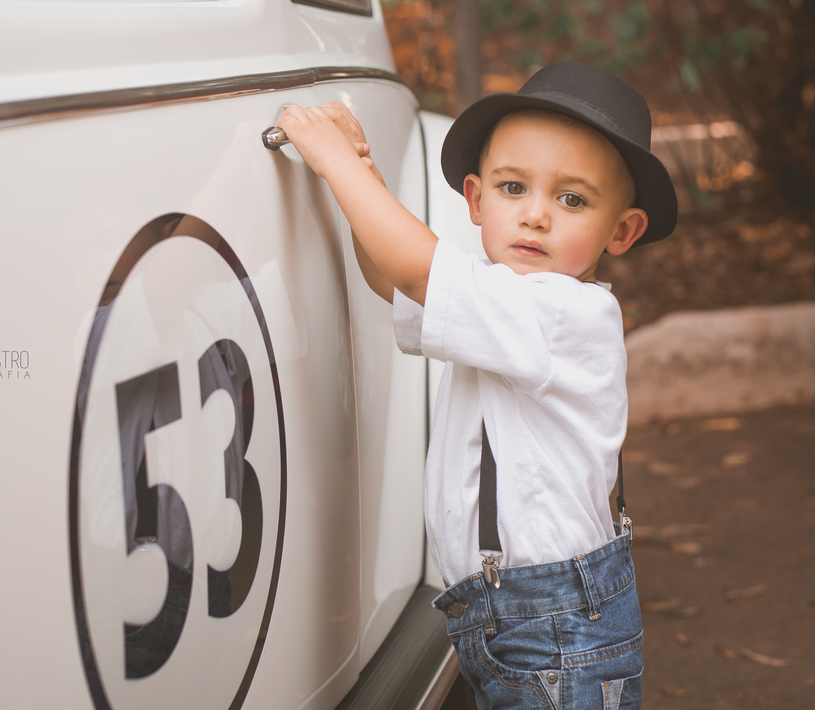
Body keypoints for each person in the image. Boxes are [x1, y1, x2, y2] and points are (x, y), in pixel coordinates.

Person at [275, 60, 677, 710]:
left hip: (553, 628)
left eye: (572, 198)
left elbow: (413, 268)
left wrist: (336, 167)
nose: (536, 216)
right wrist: (366, 173)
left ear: (622, 230)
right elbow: (393, 278)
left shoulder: (562, 312)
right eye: (514, 187)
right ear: (476, 198)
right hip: (516, 616)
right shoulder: (501, 303)